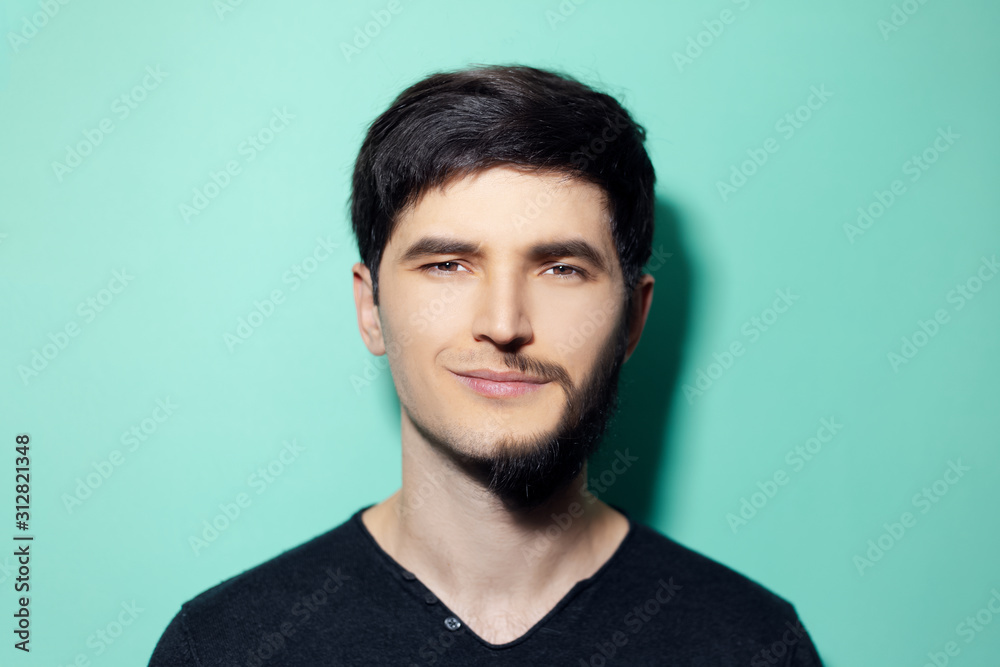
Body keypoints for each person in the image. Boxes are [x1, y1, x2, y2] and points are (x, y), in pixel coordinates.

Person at [148, 63, 824, 665]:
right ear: (371, 308)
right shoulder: (224, 646)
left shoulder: (754, 644)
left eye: (562, 268)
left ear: (633, 319)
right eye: (448, 265)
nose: (504, 324)